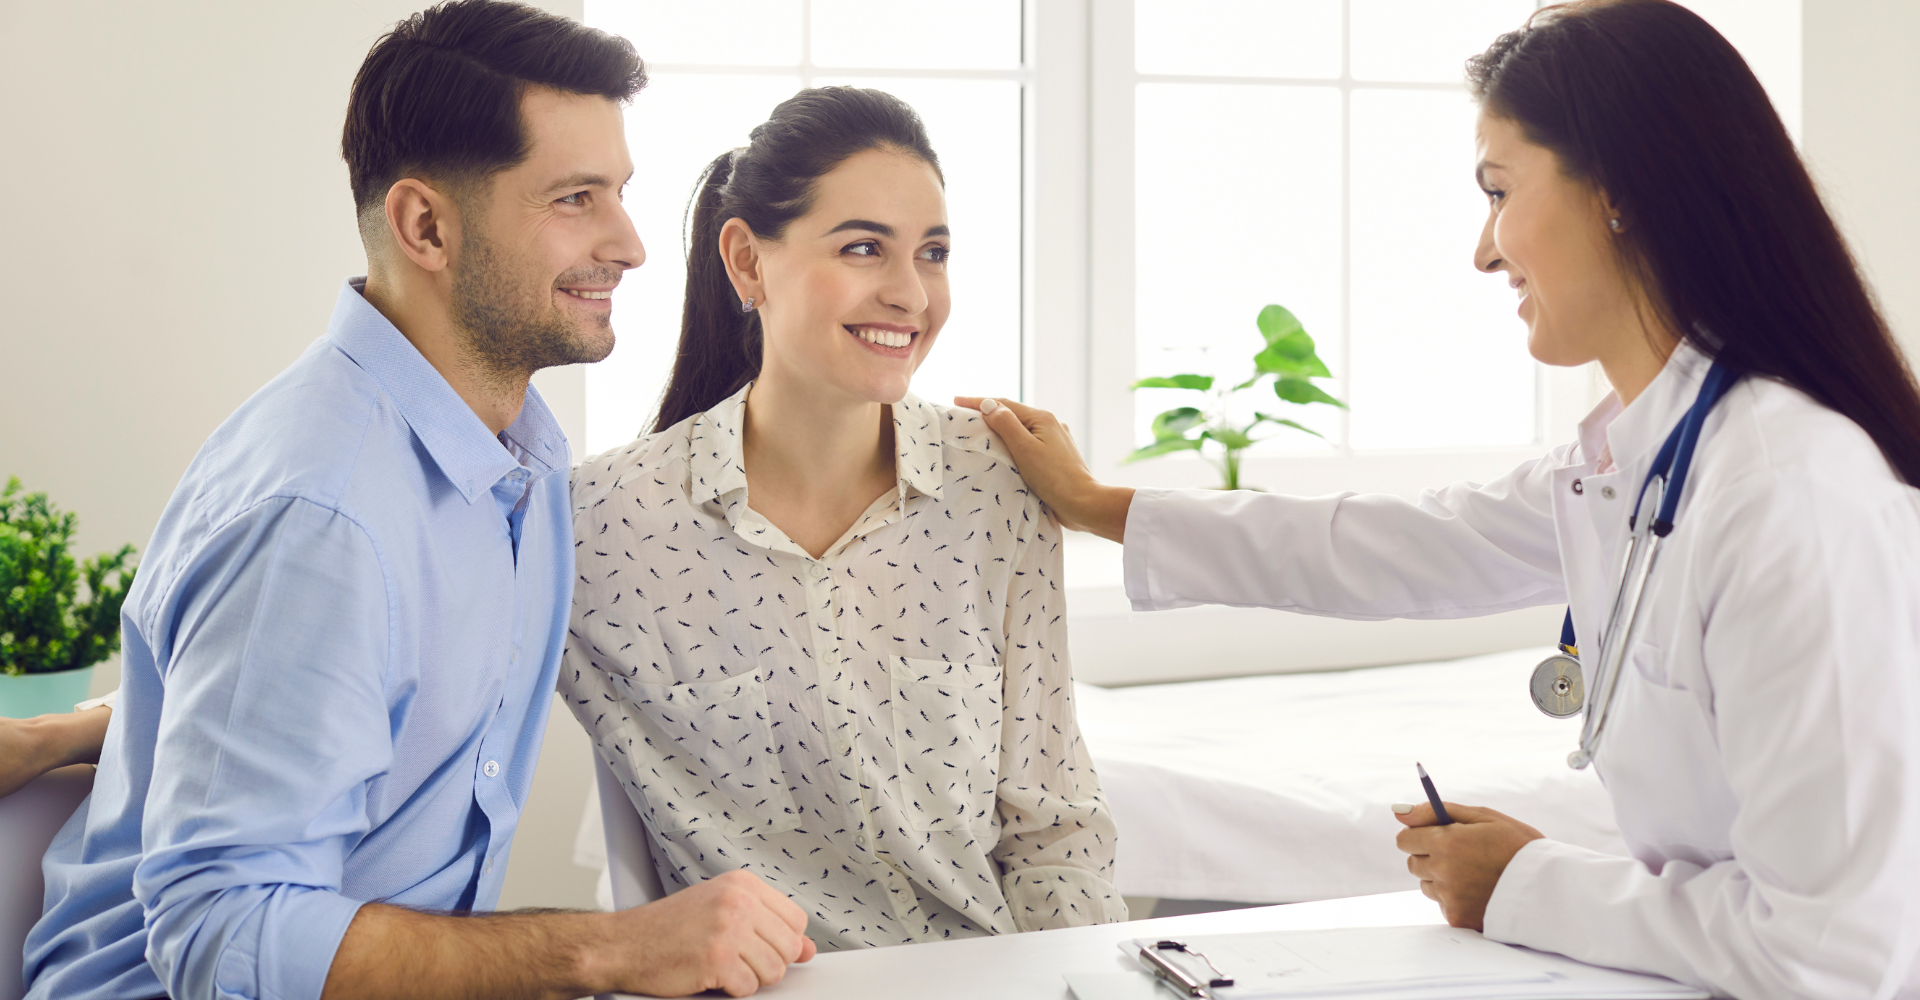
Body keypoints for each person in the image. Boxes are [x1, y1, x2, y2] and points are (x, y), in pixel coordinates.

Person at [961, 1, 1920, 997]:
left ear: (1620, 194)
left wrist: (1526, 881)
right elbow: (1389, 544)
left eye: (1499, 190)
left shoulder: (1790, 497)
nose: (1484, 249)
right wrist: (1098, 505)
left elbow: (1832, 955)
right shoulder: (1637, 459)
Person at [22, 3, 813, 999]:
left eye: (619, 191)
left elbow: (309, 696)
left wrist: (86, 725)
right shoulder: (324, 513)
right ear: (425, 225)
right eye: (576, 198)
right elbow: (221, 936)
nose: (631, 242)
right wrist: (607, 947)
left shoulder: (509, 457)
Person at [562, 86, 1126, 950]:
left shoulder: (996, 484)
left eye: (932, 253)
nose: (910, 293)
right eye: (865, 248)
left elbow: (1055, 832)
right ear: (747, 262)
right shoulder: (597, 526)